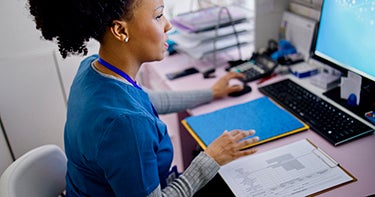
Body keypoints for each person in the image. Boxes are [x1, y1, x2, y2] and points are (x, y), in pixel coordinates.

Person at [27, 0, 259, 196]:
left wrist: (211, 93)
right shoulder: (126, 124)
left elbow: (147, 99)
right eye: (158, 16)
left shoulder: (92, 70)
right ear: (120, 31)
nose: (168, 24)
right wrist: (211, 158)